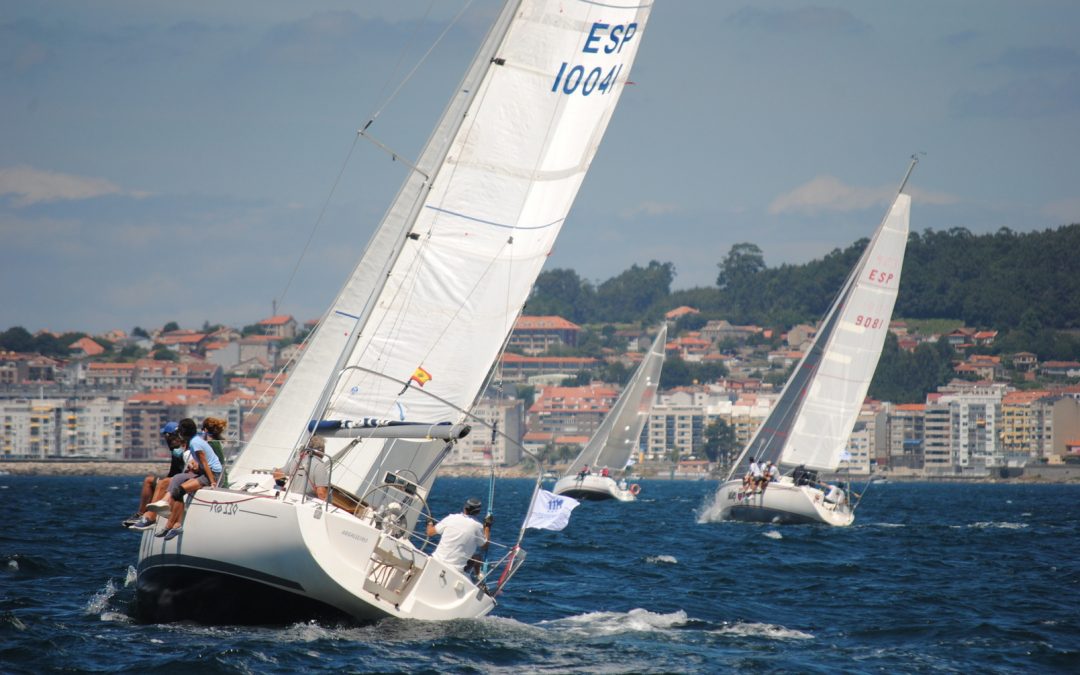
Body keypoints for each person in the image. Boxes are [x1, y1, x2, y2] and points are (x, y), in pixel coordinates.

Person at [131, 418, 222, 541]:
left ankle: (169, 523)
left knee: (176, 490)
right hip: (201, 472)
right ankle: (163, 506)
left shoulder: (194, 443)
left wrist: (212, 482)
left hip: (210, 474)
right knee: (176, 479)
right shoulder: (192, 441)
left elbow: (205, 463)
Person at [122, 422, 184, 528]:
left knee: (159, 482)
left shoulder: (180, 449)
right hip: (174, 479)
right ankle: (141, 514)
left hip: (179, 482)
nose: (164, 438)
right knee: (149, 480)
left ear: (170, 435)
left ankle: (150, 517)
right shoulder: (175, 448)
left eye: (165, 435)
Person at [425, 497, 492, 576]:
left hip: (436, 560)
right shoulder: (478, 526)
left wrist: (429, 522)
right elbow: (485, 545)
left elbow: (429, 532)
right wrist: (487, 527)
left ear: (465, 508)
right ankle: (478, 576)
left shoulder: (451, 518)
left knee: (476, 558)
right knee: (477, 558)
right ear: (478, 512)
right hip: (455, 570)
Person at [272, 435, 330, 501]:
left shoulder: (297, 459)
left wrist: (274, 470)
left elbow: (277, 474)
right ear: (321, 450)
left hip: (291, 498)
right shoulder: (319, 466)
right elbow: (321, 493)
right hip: (307, 502)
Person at [201, 416, 229, 488]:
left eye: (202, 430)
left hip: (217, 480)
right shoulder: (216, 443)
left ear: (206, 430)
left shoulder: (211, 444)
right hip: (222, 478)